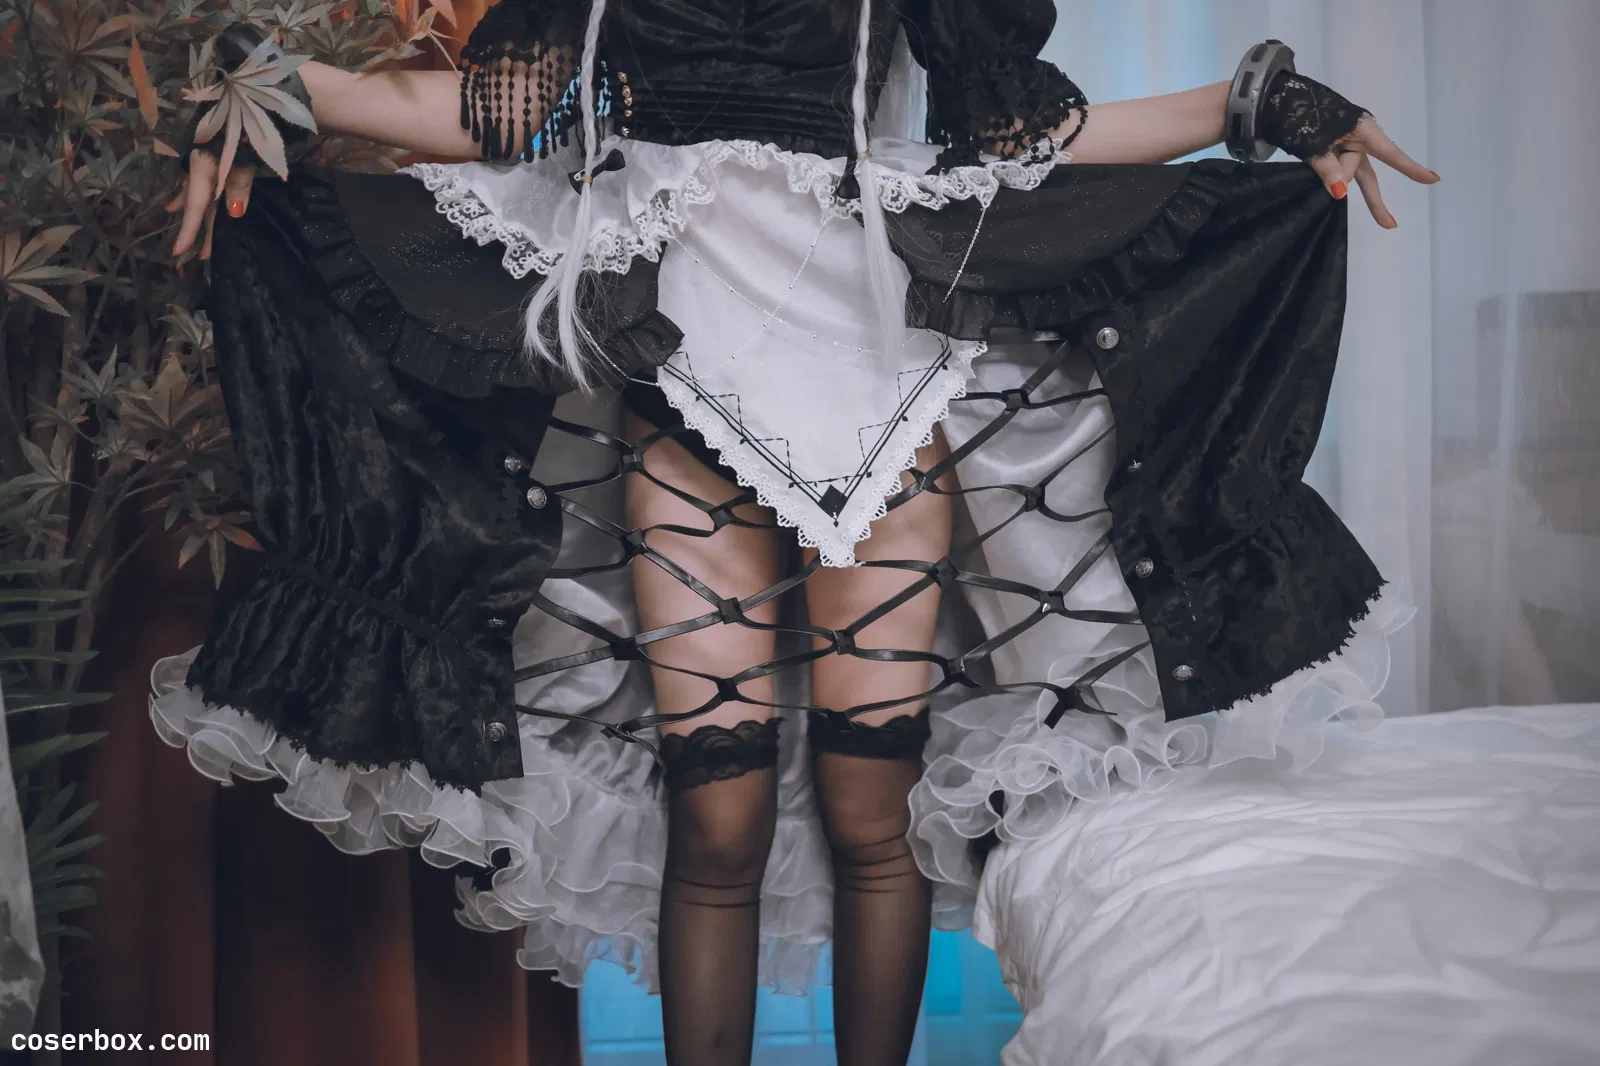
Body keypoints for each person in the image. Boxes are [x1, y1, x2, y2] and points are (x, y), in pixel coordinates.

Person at [153, 3, 1437, 1064]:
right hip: (680, 381)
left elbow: (1031, 139)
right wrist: (278, 89)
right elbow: (498, 116)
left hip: (870, 372)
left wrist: (1259, 102)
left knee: (870, 813)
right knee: (715, 823)